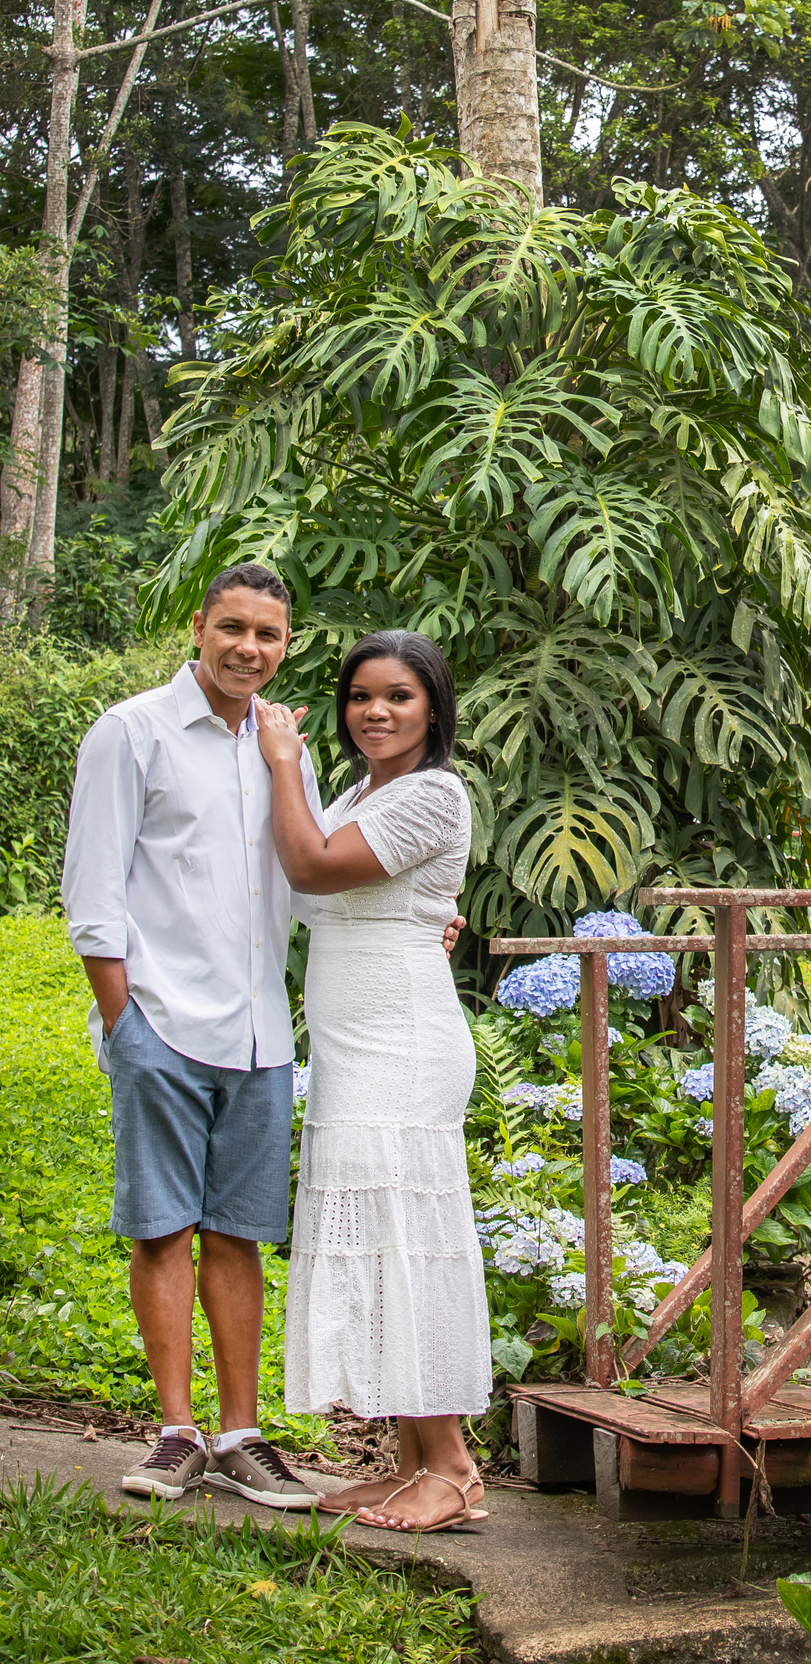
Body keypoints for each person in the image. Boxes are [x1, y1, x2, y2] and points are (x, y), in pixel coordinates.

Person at [61, 566, 464, 1507]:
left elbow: (315, 870)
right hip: (161, 1019)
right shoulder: (132, 733)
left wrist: (421, 921)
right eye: (232, 628)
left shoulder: (286, 748)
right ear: (198, 627)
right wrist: (124, 1017)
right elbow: (93, 890)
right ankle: (174, 1433)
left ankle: (240, 1434)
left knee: (238, 1232)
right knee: (162, 1226)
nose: (249, 648)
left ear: (287, 647)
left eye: (269, 636)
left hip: (260, 1034)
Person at [254, 628, 492, 1534]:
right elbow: (339, 894)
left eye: (397, 696)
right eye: (360, 697)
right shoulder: (365, 791)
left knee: (402, 1234)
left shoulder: (433, 792)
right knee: (378, 1237)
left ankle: (456, 1468)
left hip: (402, 1036)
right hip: (357, 1034)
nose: (375, 712)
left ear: (432, 705)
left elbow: (313, 864)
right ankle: (408, 1464)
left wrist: (282, 760)